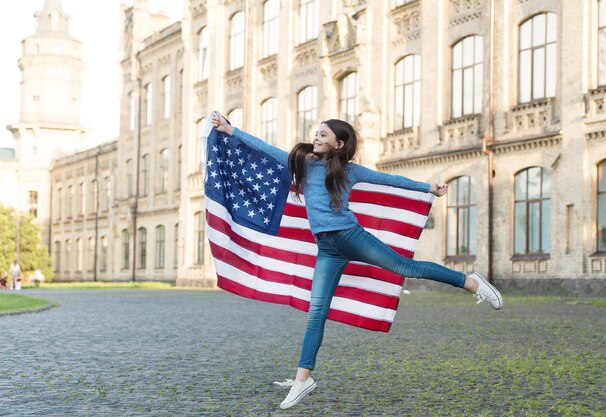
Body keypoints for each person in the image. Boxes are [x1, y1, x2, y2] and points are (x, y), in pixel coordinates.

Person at [210, 111, 503, 409]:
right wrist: (232, 131)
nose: (317, 137)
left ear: (339, 144)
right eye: (317, 133)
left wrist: (428, 187)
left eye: (324, 135)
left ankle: (470, 282)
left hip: (350, 236)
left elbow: (388, 180)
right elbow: (269, 151)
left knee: (405, 267)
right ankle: (303, 380)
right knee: (317, 312)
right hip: (327, 248)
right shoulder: (307, 164)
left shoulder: (351, 171)